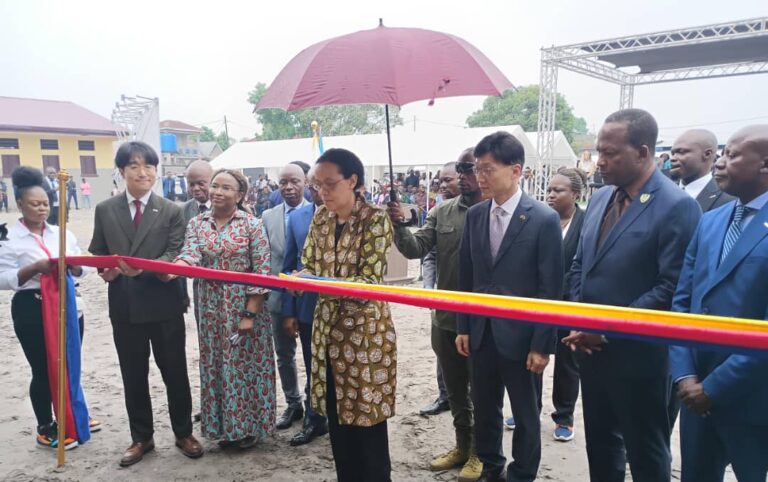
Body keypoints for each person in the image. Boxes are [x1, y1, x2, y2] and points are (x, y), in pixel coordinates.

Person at [563, 109, 701, 482]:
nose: (600, 161)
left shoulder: (677, 206)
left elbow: (670, 287)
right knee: (601, 445)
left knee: (645, 451)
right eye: (597, 151)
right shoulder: (601, 197)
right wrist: (581, 321)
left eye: (610, 153)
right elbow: (579, 265)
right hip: (590, 351)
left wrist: (604, 329)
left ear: (642, 153)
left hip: (640, 358)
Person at [457, 131, 564, 482]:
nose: (480, 178)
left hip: (522, 338)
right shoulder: (474, 216)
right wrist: (463, 326)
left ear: (516, 170)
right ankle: (491, 466)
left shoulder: (543, 218)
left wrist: (541, 344)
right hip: (482, 332)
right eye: (477, 169)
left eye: (488, 170)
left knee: (525, 412)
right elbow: (467, 277)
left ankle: (521, 473)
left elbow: (551, 289)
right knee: (485, 407)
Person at [89, 141, 202, 467]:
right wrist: (105, 270)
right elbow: (99, 251)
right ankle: (142, 437)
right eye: (135, 166)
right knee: (133, 374)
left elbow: (175, 250)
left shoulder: (171, 209)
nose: (143, 172)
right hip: (125, 306)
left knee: (175, 372)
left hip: (164, 301)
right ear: (122, 171)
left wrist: (153, 268)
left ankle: (183, 432)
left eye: (149, 166)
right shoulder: (105, 209)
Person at [670, 125, 768, 482]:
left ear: (765, 164)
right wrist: (684, 375)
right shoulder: (710, 221)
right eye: (722, 154)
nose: (720, 163)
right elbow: (682, 304)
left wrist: (714, 387)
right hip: (695, 393)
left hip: (753, 399)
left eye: (732, 155)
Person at [299, 148, 395, 481]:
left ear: (352, 181)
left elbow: (369, 281)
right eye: (317, 185)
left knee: (367, 420)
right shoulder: (321, 217)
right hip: (326, 332)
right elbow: (309, 261)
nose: (322, 192)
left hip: (363, 336)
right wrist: (301, 279)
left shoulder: (375, 217)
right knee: (338, 419)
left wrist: (317, 282)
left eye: (329, 184)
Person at [389, 150, 484, 481]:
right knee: (455, 390)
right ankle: (462, 446)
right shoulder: (442, 212)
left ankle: (480, 454)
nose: (462, 176)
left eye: (467, 169)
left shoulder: (496, 212)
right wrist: (400, 224)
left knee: (483, 392)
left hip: (484, 321)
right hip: (445, 318)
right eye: (459, 170)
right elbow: (415, 249)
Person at [167, 169, 275, 449]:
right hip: (210, 308)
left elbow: (262, 271)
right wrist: (170, 271)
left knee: (244, 367)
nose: (217, 192)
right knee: (216, 366)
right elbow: (189, 254)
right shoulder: (197, 223)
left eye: (226, 188)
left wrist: (250, 314)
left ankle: (249, 429)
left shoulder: (252, 225)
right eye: (215, 185)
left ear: (240, 195)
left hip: (244, 306)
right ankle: (224, 429)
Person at [0, 166, 91, 450]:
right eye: (34, 204)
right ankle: (45, 426)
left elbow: (81, 269)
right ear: (20, 204)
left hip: (69, 305)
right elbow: (5, 279)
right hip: (33, 308)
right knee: (42, 368)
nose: (41, 209)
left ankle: (73, 415)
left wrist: (76, 266)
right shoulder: (9, 239)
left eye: (45, 204)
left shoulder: (61, 232)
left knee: (70, 363)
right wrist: (36, 268)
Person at [281, 169, 328, 446]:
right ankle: (314, 420)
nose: (320, 191)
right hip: (308, 308)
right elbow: (289, 268)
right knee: (313, 367)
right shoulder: (298, 218)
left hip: (344, 310)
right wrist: (289, 311)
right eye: (315, 185)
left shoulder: (355, 217)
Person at [262, 163, 310, 431]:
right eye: (283, 182)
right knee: (284, 355)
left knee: (314, 355)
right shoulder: (268, 216)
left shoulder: (318, 213)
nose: (289, 187)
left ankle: (315, 404)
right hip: (279, 298)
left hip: (311, 298)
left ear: (305, 183)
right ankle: (294, 403)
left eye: (294, 182)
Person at [544, 168, 587, 442]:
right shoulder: (541, 219)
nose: (550, 195)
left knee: (568, 364)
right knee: (533, 357)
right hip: (540, 304)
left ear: (575, 194)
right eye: (549, 189)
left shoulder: (587, 222)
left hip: (571, 306)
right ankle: (529, 408)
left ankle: (564, 417)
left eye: (557, 191)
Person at [419, 161, 460, 417]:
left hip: (469, 302)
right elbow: (429, 254)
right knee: (442, 351)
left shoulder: (482, 210)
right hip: (442, 298)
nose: (443, 186)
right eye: (440, 181)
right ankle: (445, 396)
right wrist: (428, 290)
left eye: (449, 180)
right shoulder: (439, 211)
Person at [670, 129, 735, 212]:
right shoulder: (662, 192)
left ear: (707, 154)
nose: (673, 158)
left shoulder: (729, 199)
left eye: (681, 152)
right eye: (673, 153)